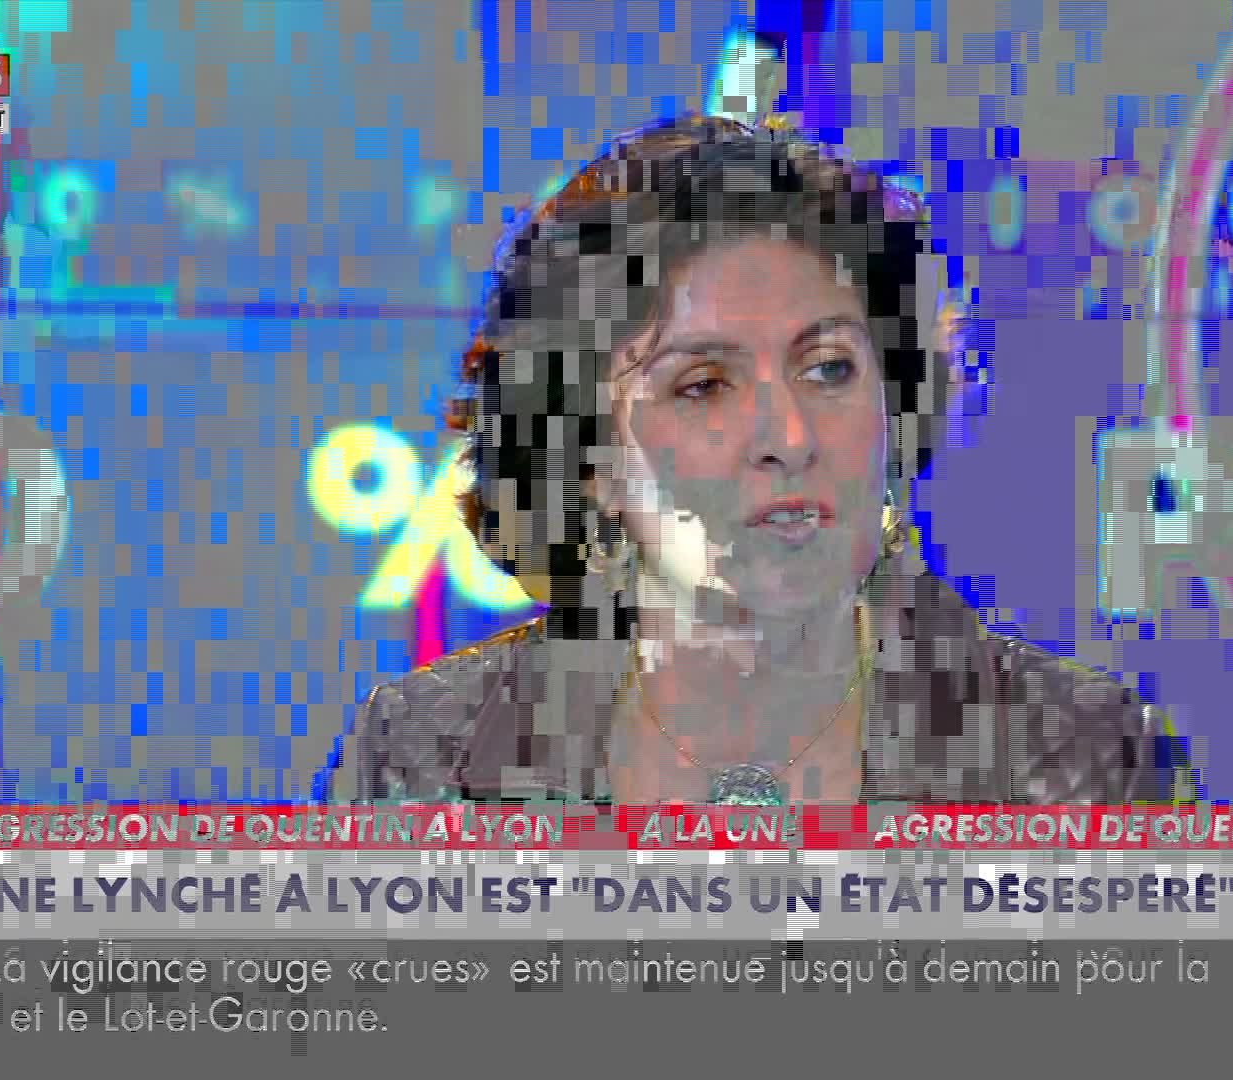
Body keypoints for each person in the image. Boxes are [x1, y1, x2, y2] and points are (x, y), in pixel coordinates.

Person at [329, 114, 1187, 805]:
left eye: (829, 370)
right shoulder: (425, 762)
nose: (790, 436)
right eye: (704, 385)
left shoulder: (1087, 763)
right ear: (591, 457)